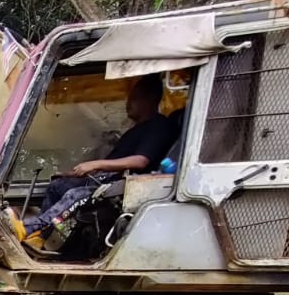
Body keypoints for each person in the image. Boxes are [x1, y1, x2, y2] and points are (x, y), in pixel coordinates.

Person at [9, 73, 174, 249]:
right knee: (57, 186)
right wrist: (78, 174)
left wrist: (96, 164)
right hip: (105, 181)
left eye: (133, 98)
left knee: (75, 195)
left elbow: (140, 161)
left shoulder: (158, 126)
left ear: (150, 98)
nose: (128, 104)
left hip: (121, 188)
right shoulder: (136, 129)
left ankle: (27, 228)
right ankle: (39, 237)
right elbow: (113, 162)